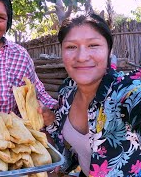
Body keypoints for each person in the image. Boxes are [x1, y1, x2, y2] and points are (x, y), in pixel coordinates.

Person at [45, 13, 141, 176]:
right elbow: (71, 152)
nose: (82, 57)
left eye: (93, 45)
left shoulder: (126, 90)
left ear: (109, 50)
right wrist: (50, 122)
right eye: (71, 47)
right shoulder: (67, 90)